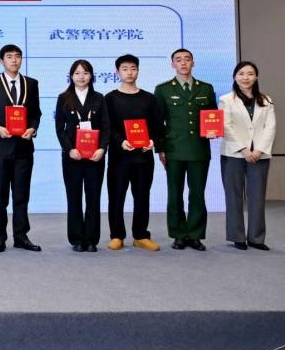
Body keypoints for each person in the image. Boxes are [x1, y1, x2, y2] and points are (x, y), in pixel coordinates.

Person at [0, 44, 42, 252]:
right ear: (1, 61)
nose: (14, 60)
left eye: (17, 56)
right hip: (0, 148)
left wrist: (32, 128)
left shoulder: (31, 84)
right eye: (9, 57)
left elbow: (36, 113)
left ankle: (21, 236)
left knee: (21, 195)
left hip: (24, 148)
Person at [154, 48, 218, 251]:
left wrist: (214, 130)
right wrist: (160, 149)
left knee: (197, 194)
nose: (183, 63)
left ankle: (196, 235)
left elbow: (212, 116)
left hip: (199, 148)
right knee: (175, 194)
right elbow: (158, 122)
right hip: (173, 149)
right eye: (178, 60)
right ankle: (179, 234)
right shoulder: (163, 89)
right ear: (172, 64)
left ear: (193, 63)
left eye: (187, 59)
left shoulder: (206, 88)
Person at [104, 54, 163, 251]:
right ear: (117, 72)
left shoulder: (149, 98)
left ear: (138, 71)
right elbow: (107, 127)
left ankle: (141, 235)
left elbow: (157, 126)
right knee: (116, 197)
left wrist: (152, 141)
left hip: (143, 157)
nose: (129, 72)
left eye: (133, 68)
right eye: (125, 69)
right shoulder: (110, 98)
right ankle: (117, 235)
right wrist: (121, 142)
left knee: (142, 196)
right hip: (119, 157)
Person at [219, 61, 276, 251]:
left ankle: (256, 238)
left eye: (250, 74)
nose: (246, 77)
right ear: (235, 77)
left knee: (257, 197)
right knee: (233, 196)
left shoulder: (266, 100)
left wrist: (259, 150)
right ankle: (237, 237)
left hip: (259, 155)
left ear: (256, 77)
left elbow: (270, 127)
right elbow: (226, 126)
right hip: (233, 154)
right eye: (241, 73)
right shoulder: (226, 99)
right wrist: (244, 149)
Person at [54, 59, 110, 253]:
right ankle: (77, 238)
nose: (81, 77)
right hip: (73, 156)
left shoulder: (99, 98)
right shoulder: (63, 98)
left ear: (91, 76)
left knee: (94, 197)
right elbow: (59, 128)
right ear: (71, 76)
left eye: (85, 73)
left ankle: (92, 239)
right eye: (77, 73)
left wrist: (102, 149)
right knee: (74, 196)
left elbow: (106, 126)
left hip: (95, 156)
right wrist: (69, 149)